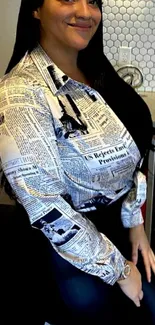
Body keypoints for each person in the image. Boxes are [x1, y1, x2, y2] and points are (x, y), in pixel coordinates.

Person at [0, 0, 155, 324]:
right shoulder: (21, 92)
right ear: (36, 9)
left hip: (119, 231)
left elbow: (130, 164)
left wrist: (136, 226)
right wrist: (121, 269)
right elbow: (45, 205)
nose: (86, 12)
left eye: (94, 2)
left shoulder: (97, 73)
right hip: (66, 245)